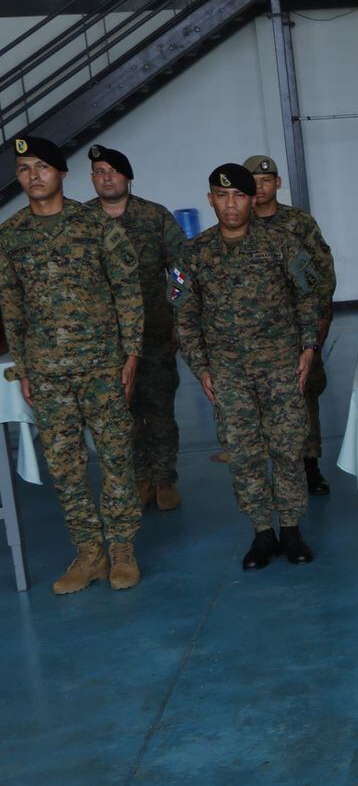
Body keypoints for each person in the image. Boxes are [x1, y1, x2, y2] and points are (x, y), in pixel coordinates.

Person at [0, 135, 144, 594]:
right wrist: (23, 367)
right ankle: (89, 553)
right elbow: (11, 304)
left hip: (102, 365)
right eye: (24, 168)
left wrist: (131, 353)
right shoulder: (11, 234)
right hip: (46, 372)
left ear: (61, 173)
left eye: (41, 166)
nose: (33, 176)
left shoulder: (95, 224)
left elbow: (127, 290)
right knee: (65, 465)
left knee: (117, 456)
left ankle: (122, 548)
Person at [172, 164, 320, 571]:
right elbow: (184, 317)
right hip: (228, 373)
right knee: (243, 453)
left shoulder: (282, 243)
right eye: (222, 196)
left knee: (288, 448)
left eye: (239, 195)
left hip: (281, 366)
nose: (231, 204)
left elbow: (308, 296)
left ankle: (291, 528)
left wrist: (308, 346)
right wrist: (201, 367)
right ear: (211, 200)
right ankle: (261, 533)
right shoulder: (193, 253)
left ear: (253, 199)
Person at [87, 145, 189, 512]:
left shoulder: (153, 216)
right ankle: (139, 477)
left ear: (128, 177)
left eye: (113, 171)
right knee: (119, 414)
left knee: (159, 406)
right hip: (103, 339)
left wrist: (178, 312)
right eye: (99, 171)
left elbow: (180, 269)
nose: (107, 177)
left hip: (155, 331)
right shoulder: (81, 221)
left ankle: (164, 479)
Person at [243, 155, 337, 494]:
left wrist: (321, 317)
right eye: (252, 180)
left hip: (297, 329)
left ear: (277, 183)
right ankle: (272, 469)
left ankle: (310, 465)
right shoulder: (237, 225)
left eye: (265, 180)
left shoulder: (298, 222)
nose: (258, 187)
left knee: (304, 395)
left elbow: (321, 271)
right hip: (251, 336)